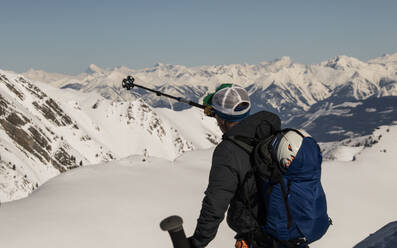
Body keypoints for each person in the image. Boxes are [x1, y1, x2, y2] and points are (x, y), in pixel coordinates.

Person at [189, 84, 281, 248]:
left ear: (222, 119)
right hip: (287, 230)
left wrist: (197, 242)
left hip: (259, 238)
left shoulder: (228, 152)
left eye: (217, 116)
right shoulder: (269, 131)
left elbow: (215, 204)